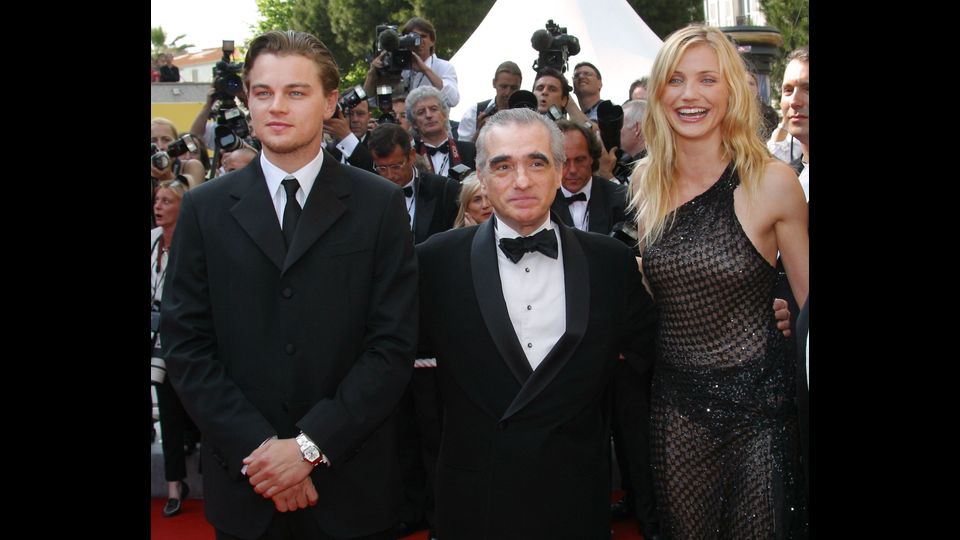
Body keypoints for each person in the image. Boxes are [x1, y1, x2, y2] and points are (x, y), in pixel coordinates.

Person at [160, 30, 419, 540]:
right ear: (248, 100)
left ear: (328, 103)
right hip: (245, 486)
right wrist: (262, 453)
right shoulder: (205, 209)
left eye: (296, 92)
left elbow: (391, 346)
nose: (277, 106)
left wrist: (308, 447)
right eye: (263, 92)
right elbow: (187, 346)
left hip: (352, 488)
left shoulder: (378, 205)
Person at [416, 107, 659, 539]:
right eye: (503, 165)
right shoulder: (436, 260)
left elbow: (662, 352)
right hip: (475, 502)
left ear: (561, 169)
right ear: (481, 176)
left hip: (574, 501)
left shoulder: (609, 263)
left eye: (536, 162)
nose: (522, 180)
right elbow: (387, 354)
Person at [629, 25, 809, 539]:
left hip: (762, 411)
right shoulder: (645, 182)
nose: (690, 95)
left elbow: (809, 305)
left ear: (732, 89)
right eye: (676, 80)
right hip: (678, 409)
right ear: (659, 91)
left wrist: (787, 313)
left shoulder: (773, 181)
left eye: (708, 79)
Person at [367, 122, 459, 539]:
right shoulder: (366, 197)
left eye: (396, 166)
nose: (389, 176)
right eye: (381, 168)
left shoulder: (442, 191)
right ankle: (409, 506)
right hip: (385, 325)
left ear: (412, 155)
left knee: (434, 425)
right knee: (398, 424)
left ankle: (442, 511)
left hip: (435, 324)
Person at [151, 178, 201, 518]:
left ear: (184, 206)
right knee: (167, 408)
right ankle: (173, 486)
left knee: (195, 407)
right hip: (156, 339)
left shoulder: (195, 241)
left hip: (187, 337)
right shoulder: (152, 240)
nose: (158, 206)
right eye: (157, 200)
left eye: (167, 201)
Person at [551, 119, 628, 234]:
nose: (573, 170)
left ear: (592, 157)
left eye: (579, 160)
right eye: (564, 161)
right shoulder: (543, 202)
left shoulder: (621, 199)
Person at [364, 16, 459, 108]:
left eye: (423, 36)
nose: (419, 41)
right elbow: (372, 102)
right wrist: (372, 73)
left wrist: (425, 70)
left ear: (432, 40)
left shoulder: (444, 67)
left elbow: (453, 100)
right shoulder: (398, 66)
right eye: (413, 37)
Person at [406, 86, 476, 178]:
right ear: (414, 123)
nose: (428, 115)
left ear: (445, 114)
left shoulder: (470, 150)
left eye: (433, 109)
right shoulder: (412, 155)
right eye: (421, 112)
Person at [456, 61, 522, 142]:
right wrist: (479, 131)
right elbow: (462, 151)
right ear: (494, 83)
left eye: (513, 88)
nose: (508, 92)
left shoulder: (526, 114)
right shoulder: (473, 113)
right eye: (503, 86)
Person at [151, 117, 205, 189]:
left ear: (176, 142)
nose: (160, 146)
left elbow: (193, 198)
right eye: (153, 141)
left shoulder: (190, 166)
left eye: (166, 140)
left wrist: (168, 177)